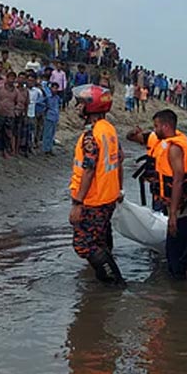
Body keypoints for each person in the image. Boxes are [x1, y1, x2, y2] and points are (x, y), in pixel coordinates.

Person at [69, 85, 124, 285]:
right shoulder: (109, 130)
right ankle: (107, 280)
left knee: (83, 245)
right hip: (108, 197)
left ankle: (113, 280)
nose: (77, 107)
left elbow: (89, 169)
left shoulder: (91, 136)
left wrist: (77, 203)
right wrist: (119, 189)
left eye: (81, 104)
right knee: (99, 240)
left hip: (93, 200)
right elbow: (120, 159)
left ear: (90, 107)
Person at [153, 108, 187, 280]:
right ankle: (185, 294)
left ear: (166, 126)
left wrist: (173, 214)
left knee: (180, 254)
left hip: (183, 209)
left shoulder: (174, 148)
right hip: (185, 206)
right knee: (184, 250)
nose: (155, 130)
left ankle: (182, 296)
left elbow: (178, 179)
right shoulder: (179, 140)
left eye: (156, 126)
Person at [42, 82, 62, 154]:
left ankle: (50, 148)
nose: (55, 90)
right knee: (47, 133)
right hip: (49, 117)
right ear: (51, 88)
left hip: (55, 117)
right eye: (53, 88)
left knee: (52, 134)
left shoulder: (57, 98)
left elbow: (59, 105)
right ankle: (45, 149)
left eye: (56, 88)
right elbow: (42, 103)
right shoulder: (48, 97)